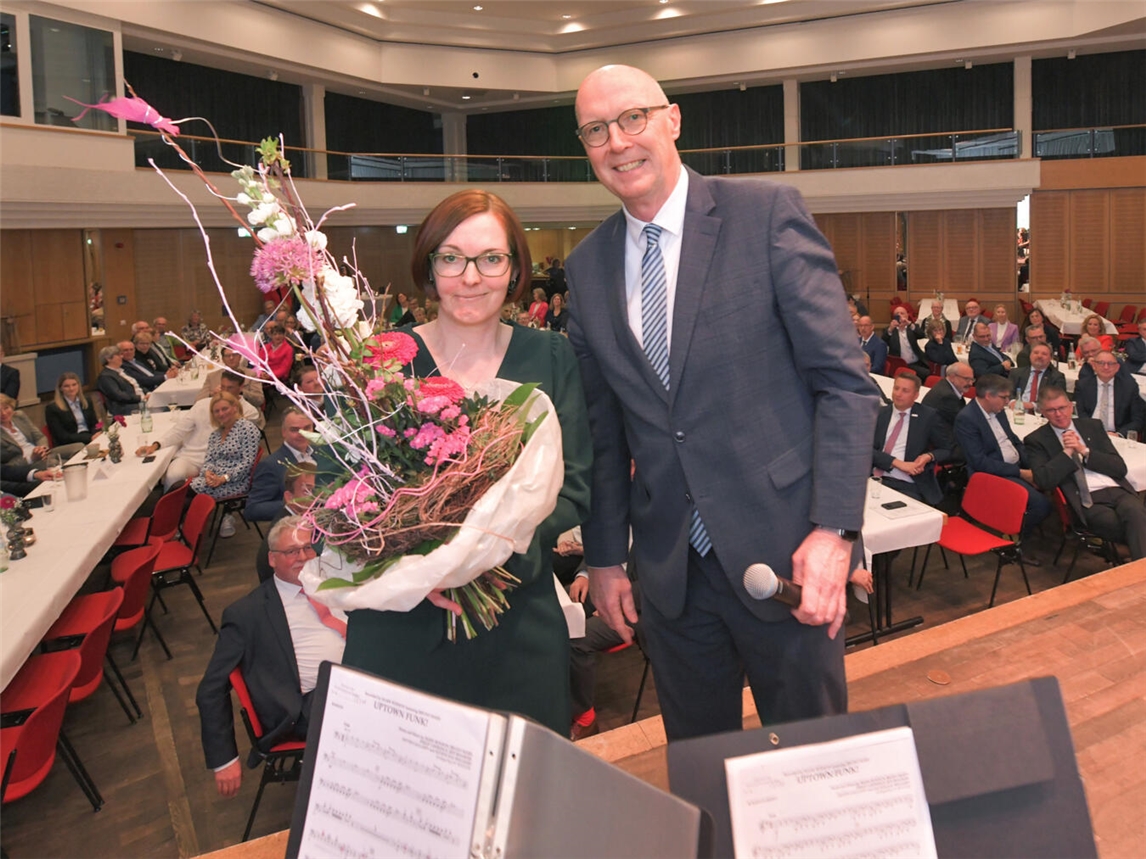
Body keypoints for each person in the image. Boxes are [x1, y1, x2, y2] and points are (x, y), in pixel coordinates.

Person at [566, 64, 877, 740]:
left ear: (672, 120)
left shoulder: (765, 215)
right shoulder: (586, 267)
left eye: (632, 119)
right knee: (701, 766)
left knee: (814, 760)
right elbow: (603, 428)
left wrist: (835, 532)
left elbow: (846, 385)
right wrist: (605, 557)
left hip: (790, 553)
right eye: (595, 130)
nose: (617, 142)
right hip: (672, 575)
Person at [340, 189, 592, 737]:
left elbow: (573, 485)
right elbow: (340, 485)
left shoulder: (551, 356)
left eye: (490, 259)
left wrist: (479, 552)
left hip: (514, 614)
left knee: (521, 796)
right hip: (402, 619)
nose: (470, 276)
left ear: (515, 268)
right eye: (450, 257)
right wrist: (419, 558)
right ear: (429, 267)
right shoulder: (382, 358)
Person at [195, 516, 345, 798]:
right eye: (292, 552)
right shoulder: (247, 614)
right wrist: (224, 760)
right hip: (310, 704)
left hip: (360, 674)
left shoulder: (334, 583)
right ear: (272, 559)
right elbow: (211, 689)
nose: (302, 557)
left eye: (307, 549)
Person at [1027, 386, 1146, 560]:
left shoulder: (1093, 426)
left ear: (1070, 407)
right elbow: (1044, 480)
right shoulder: (1037, 440)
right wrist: (1067, 452)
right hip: (1086, 499)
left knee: (1136, 512)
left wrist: (1085, 451)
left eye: (1061, 408)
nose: (1058, 414)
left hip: (1116, 490)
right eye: (1051, 410)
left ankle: (1126, 560)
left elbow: (1119, 468)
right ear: (1043, 412)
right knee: (1130, 525)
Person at [953, 374, 1051, 546]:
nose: (1008, 402)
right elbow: (980, 462)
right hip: (993, 473)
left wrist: (1035, 466)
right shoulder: (967, 419)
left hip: (1015, 466)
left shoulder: (998, 411)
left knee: (1053, 476)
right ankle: (1014, 541)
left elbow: (1013, 440)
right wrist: (1022, 474)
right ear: (989, 396)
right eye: (1004, 397)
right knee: (1040, 505)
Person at [137, 374, 262, 492]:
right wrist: (156, 445)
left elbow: (244, 455)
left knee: (193, 488)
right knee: (174, 474)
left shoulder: (249, 412)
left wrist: (222, 475)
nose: (225, 391)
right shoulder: (202, 405)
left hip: (222, 462)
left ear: (241, 388)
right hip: (192, 457)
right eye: (223, 387)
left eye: (230, 388)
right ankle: (172, 508)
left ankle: (191, 508)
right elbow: (179, 430)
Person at [870, 374, 952, 506]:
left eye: (905, 391)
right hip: (874, 477)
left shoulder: (928, 416)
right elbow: (866, 448)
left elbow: (946, 449)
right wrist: (897, 463)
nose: (898, 394)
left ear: (916, 395)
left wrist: (928, 456)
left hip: (908, 483)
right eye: (896, 388)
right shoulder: (879, 413)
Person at [245, 408, 315, 522]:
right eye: (295, 430)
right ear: (283, 432)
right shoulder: (270, 465)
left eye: (307, 428)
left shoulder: (324, 453)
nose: (303, 434)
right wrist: (293, 503)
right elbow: (252, 509)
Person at [255, 464, 317, 583]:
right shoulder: (283, 536)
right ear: (289, 497)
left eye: (319, 490)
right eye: (307, 491)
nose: (316, 498)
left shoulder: (302, 520)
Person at [1074, 351, 1146, 438]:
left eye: (1111, 364)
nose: (1106, 367)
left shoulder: (1129, 387)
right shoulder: (1083, 385)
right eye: (1101, 363)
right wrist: (1091, 430)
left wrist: (1119, 434)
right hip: (1089, 432)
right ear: (1093, 365)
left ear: (1117, 367)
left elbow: (1138, 419)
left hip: (1117, 434)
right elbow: (1080, 412)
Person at [43, 372, 98, 456]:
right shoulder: (53, 408)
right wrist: (89, 437)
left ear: (79, 385)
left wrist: (96, 433)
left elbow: (94, 423)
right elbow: (62, 436)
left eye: (74, 384)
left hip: (90, 437)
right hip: (70, 443)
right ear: (60, 388)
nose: (71, 388)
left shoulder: (86, 401)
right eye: (66, 386)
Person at [196, 346, 266, 410]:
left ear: (240, 357)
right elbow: (198, 401)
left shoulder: (250, 375)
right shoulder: (212, 377)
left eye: (234, 355)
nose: (231, 358)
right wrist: (212, 394)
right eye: (227, 356)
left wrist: (240, 391)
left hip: (245, 413)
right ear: (223, 359)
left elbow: (259, 400)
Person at [1011, 344, 1066, 413]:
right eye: (1036, 353)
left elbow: (1055, 400)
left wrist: (1033, 405)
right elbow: (1008, 392)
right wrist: (1013, 402)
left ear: (1050, 358)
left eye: (1044, 354)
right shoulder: (1016, 373)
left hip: (1041, 415)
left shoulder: (1056, 377)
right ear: (1030, 355)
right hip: (1016, 412)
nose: (1039, 356)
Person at [96, 344, 144, 416]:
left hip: (136, 402)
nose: (122, 357)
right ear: (109, 359)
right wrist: (140, 398)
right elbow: (118, 395)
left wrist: (146, 393)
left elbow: (135, 385)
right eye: (118, 355)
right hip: (125, 408)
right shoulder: (106, 377)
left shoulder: (120, 371)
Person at [883, 305, 928, 382]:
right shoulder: (890, 330)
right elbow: (884, 342)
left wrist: (909, 324)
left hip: (915, 362)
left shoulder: (912, 327)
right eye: (897, 314)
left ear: (907, 316)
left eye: (902, 313)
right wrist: (890, 329)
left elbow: (922, 335)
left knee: (928, 373)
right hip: (900, 365)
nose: (900, 315)